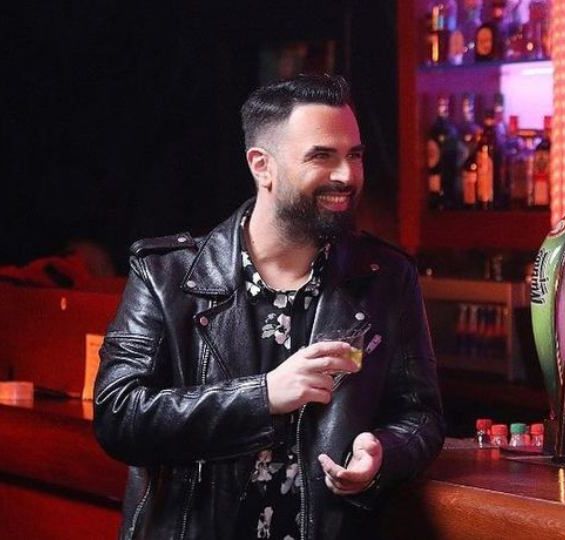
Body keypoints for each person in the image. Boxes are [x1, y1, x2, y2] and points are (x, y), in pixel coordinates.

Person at [93, 74, 444, 539]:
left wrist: (382, 454)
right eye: (322, 156)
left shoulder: (386, 277)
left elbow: (421, 415)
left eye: (355, 155)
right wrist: (263, 396)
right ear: (262, 166)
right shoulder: (167, 276)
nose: (346, 175)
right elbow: (119, 415)